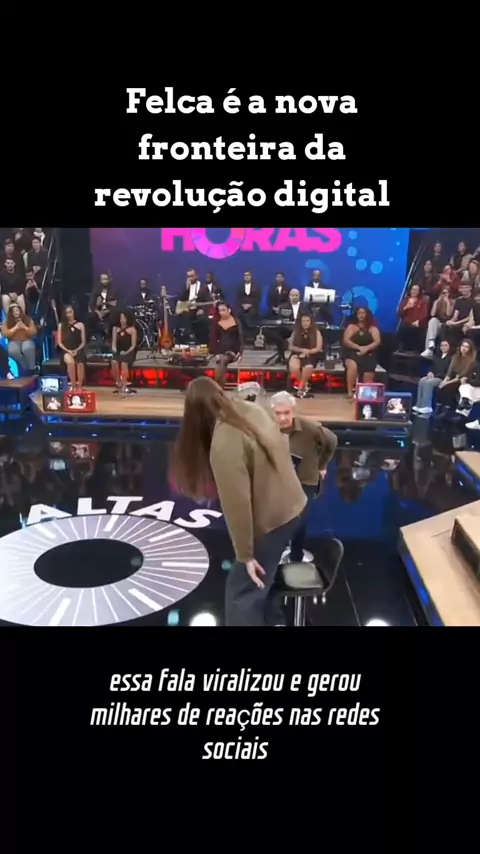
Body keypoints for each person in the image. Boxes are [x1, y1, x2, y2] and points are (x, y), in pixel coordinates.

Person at [170, 376, 307, 627]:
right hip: (294, 505)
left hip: (275, 520)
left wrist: (246, 555)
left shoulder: (225, 442)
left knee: (241, 593)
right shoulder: (250, 409)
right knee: (262, 582)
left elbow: (237, 505)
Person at [270, 391, 337, 562]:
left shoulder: (311, 429)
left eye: (287, 413)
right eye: (278, 413)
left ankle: (296, 556)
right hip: (279, 480)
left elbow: (331, 441)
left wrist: (321, 465)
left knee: (299, 518)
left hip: (305, 480)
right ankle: (281, 550)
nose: (283, 418)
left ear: (293, 411)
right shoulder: (267, 428)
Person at [342, 307, 381, 399]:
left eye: (363, 313)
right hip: (352, 352)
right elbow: (346, 341)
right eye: (359, 313)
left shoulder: (373, 328)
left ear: (367, 315)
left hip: (368, 353)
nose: (361, 315)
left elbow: (377, 342)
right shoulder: (351, 327)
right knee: (353, 366)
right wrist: (359, 348)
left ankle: (364, 395)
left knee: (368, 373)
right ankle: (350, 391)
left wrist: (366, 349)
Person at [435, 339, 477, 414]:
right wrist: (445, 381)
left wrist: (447, 383)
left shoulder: (471, 361)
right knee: (441, 386)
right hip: (452, 377)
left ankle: (446, 409)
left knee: (449, 388)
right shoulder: (455, 356)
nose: (464, 348)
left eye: (466, 347)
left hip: (461, 379)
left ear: (470, 349)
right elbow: (450, 371)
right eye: (463, 346)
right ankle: (439, 407)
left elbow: (462, 375)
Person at [287, 313, 323, 398]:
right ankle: (305, 385)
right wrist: (302, 351)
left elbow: (318, 348)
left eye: (307, 321)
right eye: (303, 321)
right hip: (297, 353)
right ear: (300, 322)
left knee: (308, 367)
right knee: (294, 367)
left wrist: (308, 352)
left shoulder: (316, 332)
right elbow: (290, 346)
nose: (305, 323)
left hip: (312, 353)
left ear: (311, 322)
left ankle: (300, 388)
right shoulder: (296, 332)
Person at [413, 340, 452, 414]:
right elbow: (432, 367)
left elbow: (448, 372)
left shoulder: (451, 358)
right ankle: (419, 405)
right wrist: (430, 372)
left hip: (442, 378)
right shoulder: (437, 357)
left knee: (428, 383)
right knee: (422, 381)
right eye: (442, 345)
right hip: (434, 376)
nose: (443, 347)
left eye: (445, 345)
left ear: (449, 347)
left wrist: (435, 376)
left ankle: (427, 406)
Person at [210, 303, 243, 388]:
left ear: (229, 310)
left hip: (232, 350)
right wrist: (216, 353)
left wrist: (240, 353)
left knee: (223, 360)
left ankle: (216, 386)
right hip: (221, 350)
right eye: (220, 310)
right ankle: (219, 386)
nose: (221, 312)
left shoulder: (236, 322)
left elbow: (241, 339)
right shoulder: (217, 323)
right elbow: (214, 339)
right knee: (221, 363)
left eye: (223, 310)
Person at [57, 305, 87, 389]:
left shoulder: (80, 325)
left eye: (70, 312)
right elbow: (59, 342)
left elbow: (83, 342)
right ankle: (73, 385)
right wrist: (68, 350)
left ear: (74, 312)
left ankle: (80, 386)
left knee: (80, 362)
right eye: (67, 313)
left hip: (78, 349)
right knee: (70, 362)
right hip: (66, 351)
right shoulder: (61, 325)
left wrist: (76, 350)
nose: (69, 314)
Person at [1, 305, 37, 373]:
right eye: (13, 311)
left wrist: (24, 327)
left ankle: (32, 368)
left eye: (17, 310)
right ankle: (24, 366)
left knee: (27, 348)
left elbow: (33, 332)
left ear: (20, 311)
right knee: (13, 351)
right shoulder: (6, 321)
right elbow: (5, 334)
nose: (15, 312)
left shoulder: (28, 319)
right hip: (13, 341)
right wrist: (15, 328)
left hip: (27, 340)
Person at [421, 287, 455, 358]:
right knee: (432, 321)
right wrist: (436, 302)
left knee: (431, 329)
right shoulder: (437, 301)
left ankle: (429, 350)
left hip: (446, 323)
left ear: (449, 294)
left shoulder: (452, 301)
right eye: (443, 293)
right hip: (438, 322)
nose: (444, 294)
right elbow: (432, 314)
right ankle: (431, 344)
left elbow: (449, 314)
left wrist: (447, 302)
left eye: (446, 293)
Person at [111, 311, 138, 394]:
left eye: (123, 318)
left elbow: (133, 345)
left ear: (127, 319)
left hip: (129, 351)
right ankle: (118, 382)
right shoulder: (115, 329)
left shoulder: (132, 329)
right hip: (119, 351)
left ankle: (124, 386)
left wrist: (126, 352)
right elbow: (114, 343)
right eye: (121, 318)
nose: (122, 320)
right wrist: (114, 350)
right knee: (114, 361)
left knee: (123, 363)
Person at [396, 285, 429, 352]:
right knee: (403, 327)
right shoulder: (406, 300)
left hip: (418, 323)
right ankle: (401, 348)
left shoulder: (423, 302)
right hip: (407, 322)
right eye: (413, 289)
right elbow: (399, 313)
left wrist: (418, 321)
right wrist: (406, 307)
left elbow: (425, 314)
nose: (414, 291)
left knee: (413, 328)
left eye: (416, 290)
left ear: (419, 292)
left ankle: (412, 350)